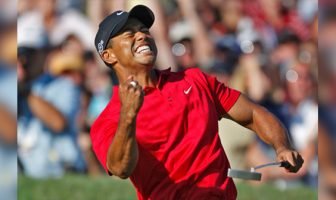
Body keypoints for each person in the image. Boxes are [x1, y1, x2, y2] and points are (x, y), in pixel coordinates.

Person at [90, 5, 304, 199]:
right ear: (108, 56)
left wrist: (282, 146)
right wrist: (128, 116)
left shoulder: (195, 80)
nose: (142, 36)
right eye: (129, 34)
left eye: (144, 30)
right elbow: (120, 168)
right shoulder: (109, 119)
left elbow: (253, 114)